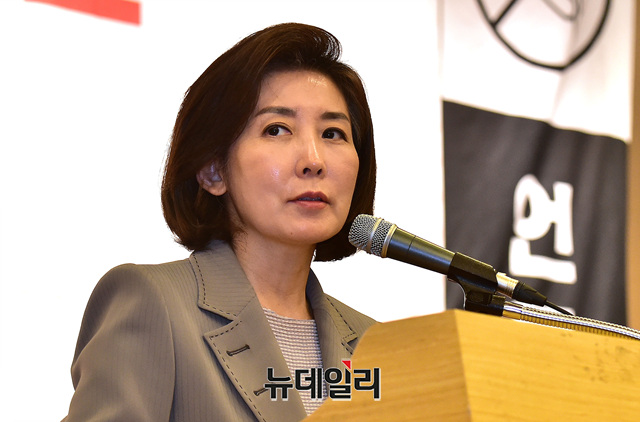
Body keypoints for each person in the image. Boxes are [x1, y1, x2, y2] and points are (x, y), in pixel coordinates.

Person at [62, 22, 378, 422]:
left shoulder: (375, 344)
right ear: (213, 170)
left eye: (333, 133)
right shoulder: (154, 304)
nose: (314, 160)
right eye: (276, 129)